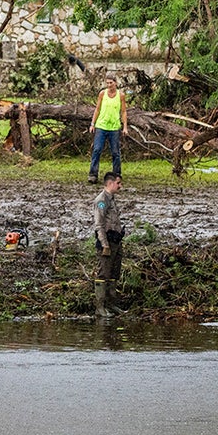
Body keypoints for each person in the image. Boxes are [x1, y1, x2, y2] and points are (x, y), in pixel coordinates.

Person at [93, 171, 126, 318]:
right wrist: (104, 244)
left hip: (116, 241)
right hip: (106, 242)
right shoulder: (101, 200)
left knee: (114, 273)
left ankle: (112, 304)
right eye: (118, 183)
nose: (120, 186)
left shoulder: (111, 199)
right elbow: (99, 224)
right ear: (111, 183)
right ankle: (100, 307)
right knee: (103, 273)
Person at [87, 75, 127, 184]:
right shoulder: (102, 94)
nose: (109, 85)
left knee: (115, 152)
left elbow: (123, 112)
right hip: (101, 126)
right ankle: (93, 174)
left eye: (111, 83)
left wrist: (125, 127)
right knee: (97, 149)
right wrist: (92, 124)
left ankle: (116, 175)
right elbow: (97, 109)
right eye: (107, 83)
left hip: (114, 127)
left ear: (116, 83)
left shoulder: (121, 95)